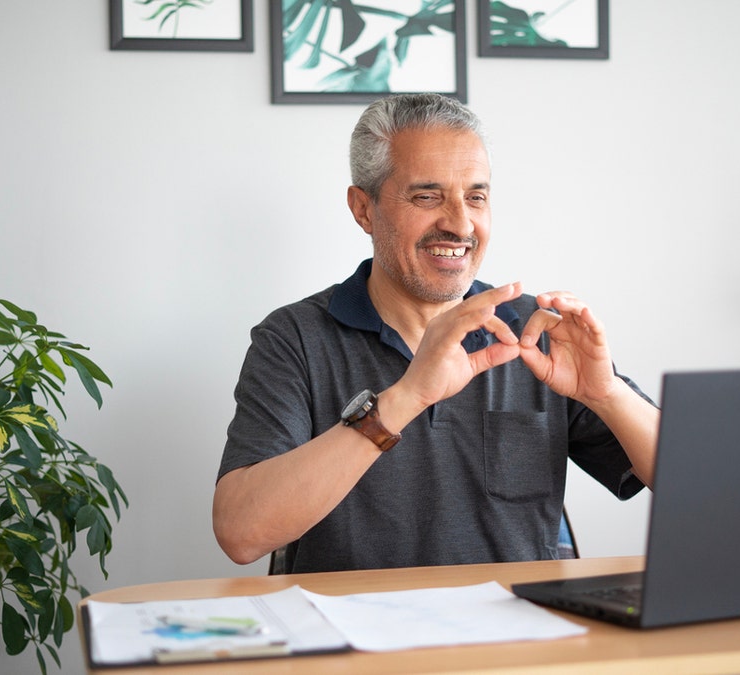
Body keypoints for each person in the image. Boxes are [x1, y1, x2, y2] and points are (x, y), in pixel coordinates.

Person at [212, 93, 660, 574]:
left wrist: (607, 394)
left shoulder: (537, 331)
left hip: (512, 636)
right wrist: (407, 396)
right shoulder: (294, 338)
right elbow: (242, 534)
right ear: (363, 208)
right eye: (427, 197)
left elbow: (703, 488)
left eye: (476, 197)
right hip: (349, 637)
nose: (460, 223)